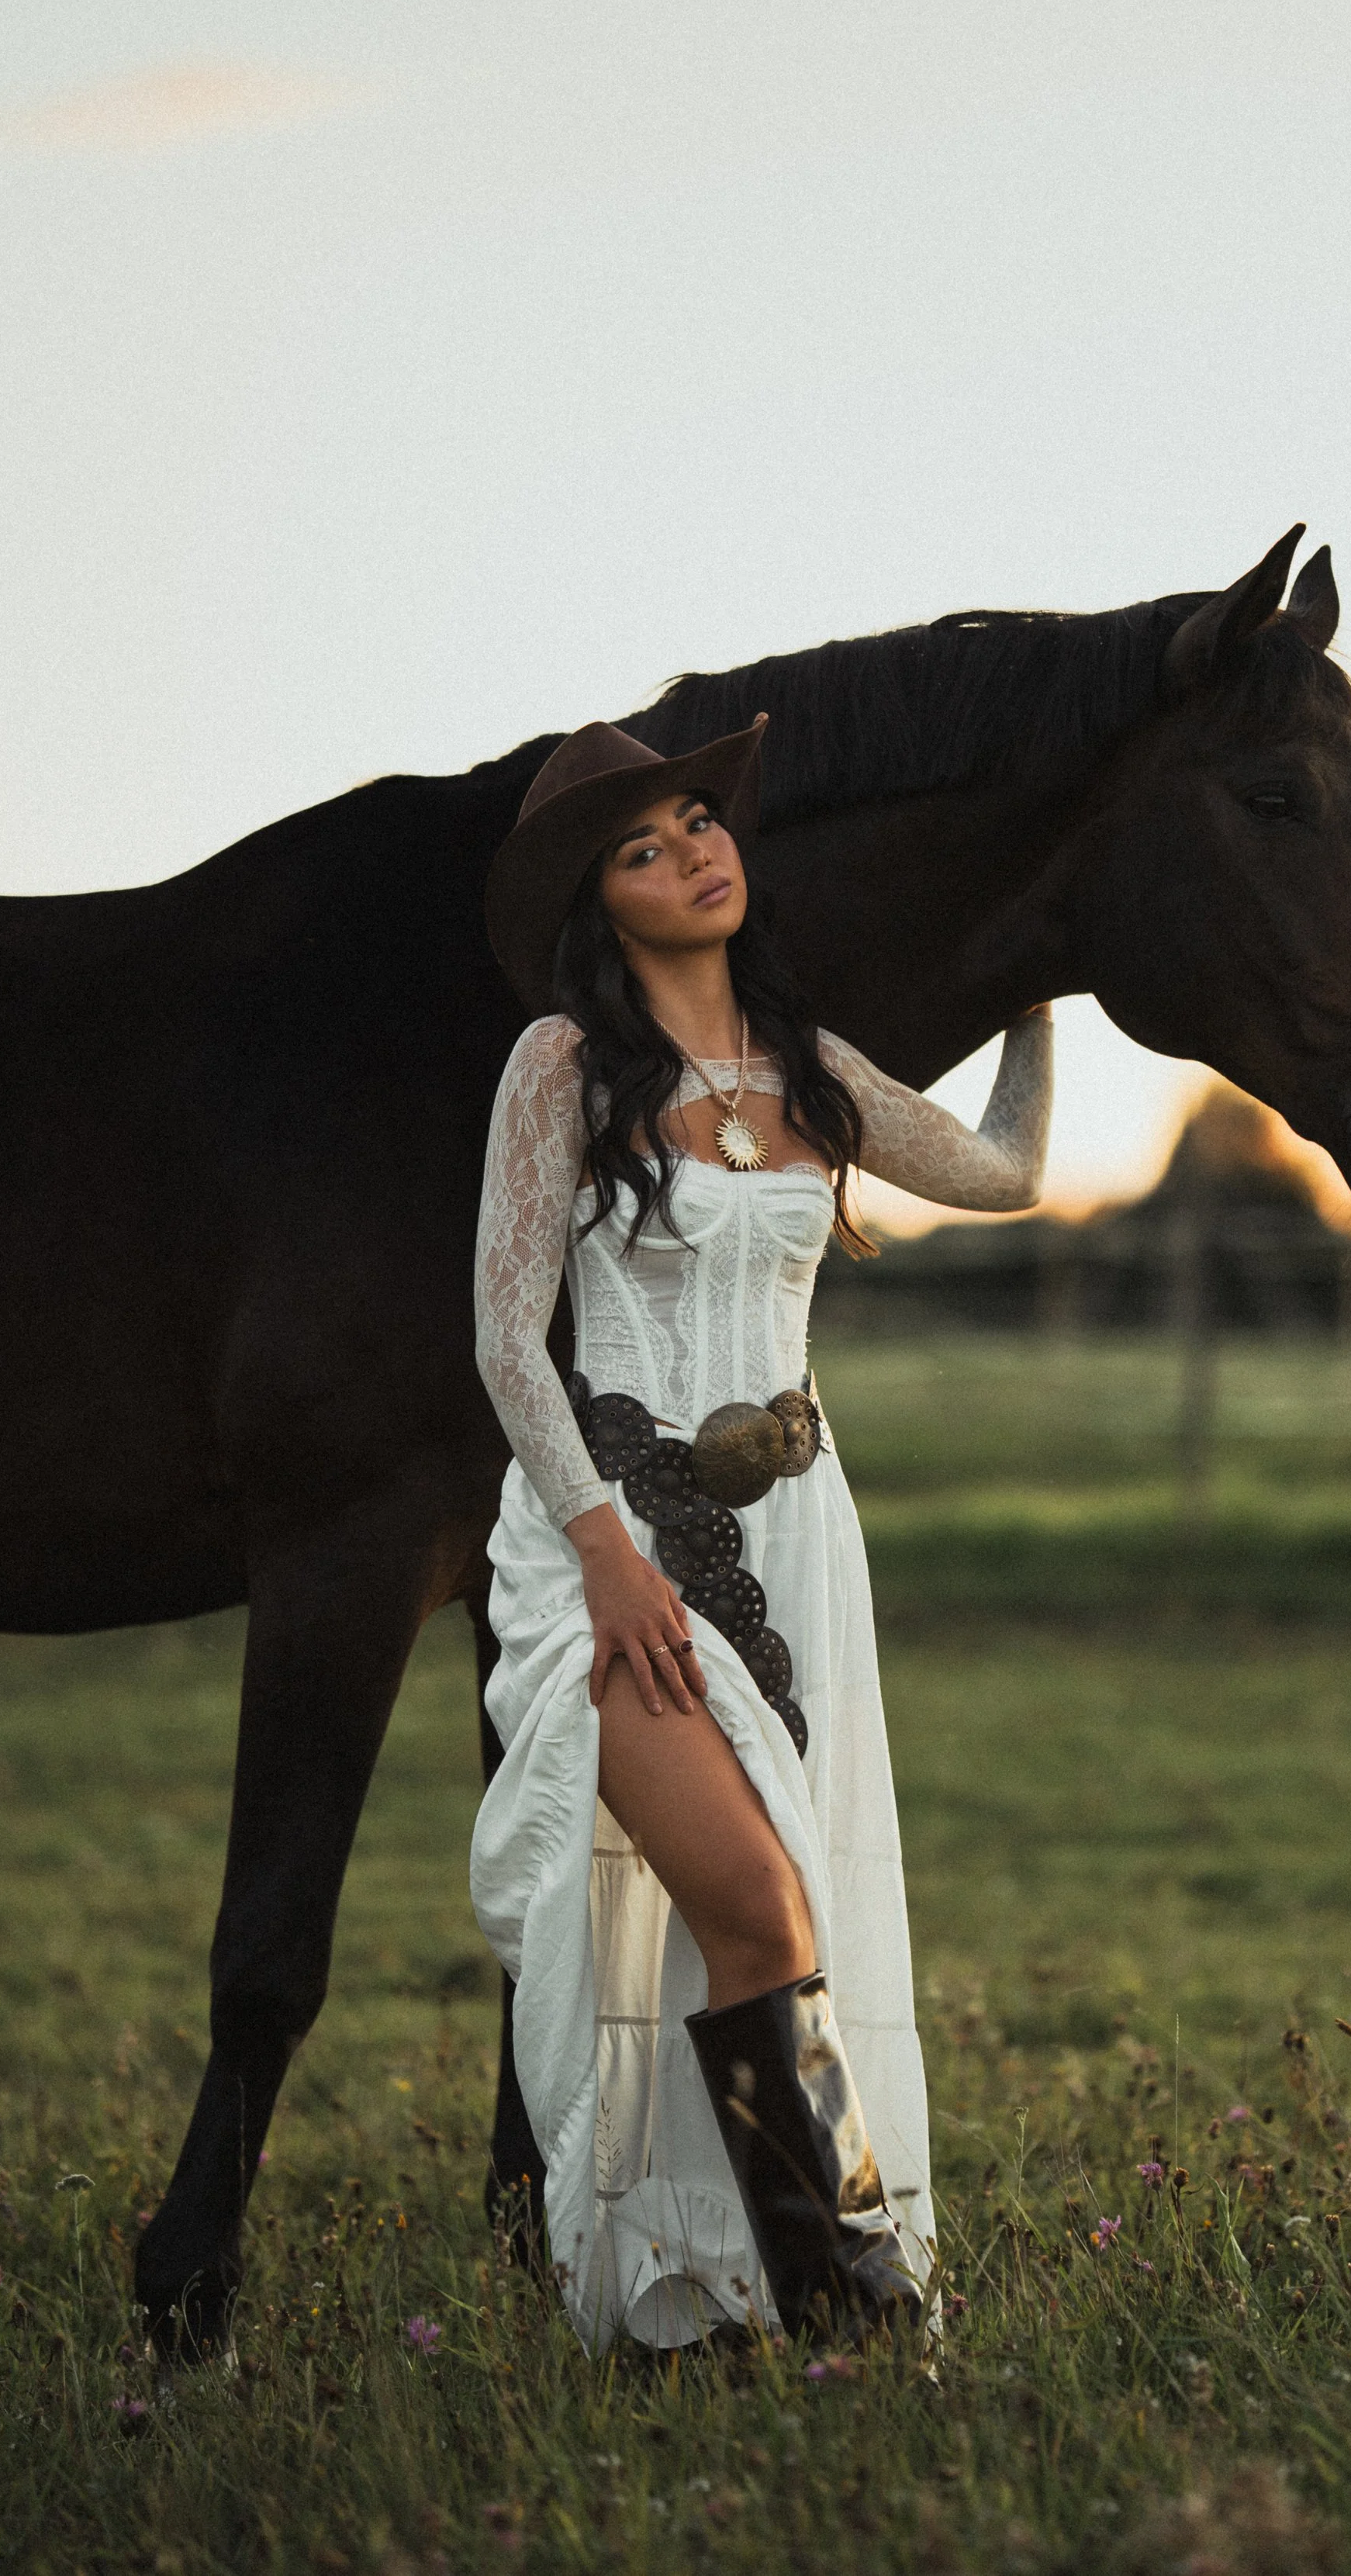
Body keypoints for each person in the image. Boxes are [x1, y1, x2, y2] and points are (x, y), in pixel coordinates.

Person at [468, 714, 1052, 2353]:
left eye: (700, 819)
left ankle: (780, 2314)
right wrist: (600, 1552)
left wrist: (1033, 992)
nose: (692, 852)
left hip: (800, 1537)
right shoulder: (562, 1068)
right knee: (753, 1910)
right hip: (612, 1534)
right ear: (600, 897)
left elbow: (1004, 1171)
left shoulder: (811, 1066)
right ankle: (855, 2327)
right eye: (643, 844)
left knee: (789, 1911)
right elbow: (510, 1336)